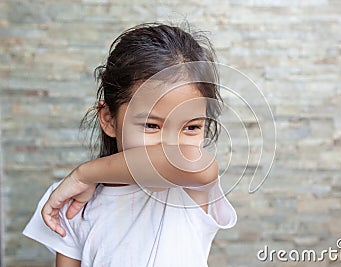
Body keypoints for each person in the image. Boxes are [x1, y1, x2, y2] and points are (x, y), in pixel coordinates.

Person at [23, 23, 237, 267]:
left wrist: (85, 173)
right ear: (109, 119)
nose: (169, 145)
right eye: (151, 125)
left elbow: (191, 162)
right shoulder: (74, 204)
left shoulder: (190, 191)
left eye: (191, 127)